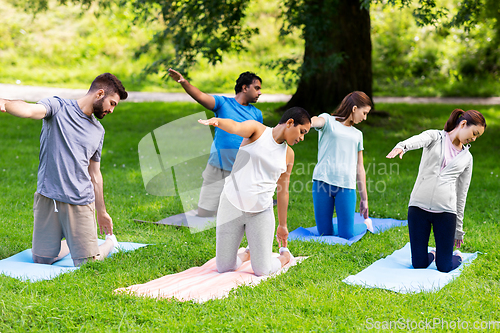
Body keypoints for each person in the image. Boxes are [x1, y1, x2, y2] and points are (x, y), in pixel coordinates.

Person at [0, 73, 128, 267]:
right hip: (48, 197)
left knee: (87, 262)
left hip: (79, 200)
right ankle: (74, 243)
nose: (111, 110)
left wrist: (102, 212)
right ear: (100, 93)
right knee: (42, 260)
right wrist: (5, 103)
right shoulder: (58, 106)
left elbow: (95, 174)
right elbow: (29, 110)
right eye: (112, 103)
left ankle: (110, 243)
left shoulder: (98, 131)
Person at [198, 107, 311, 276]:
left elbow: (283, 190)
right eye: (302, 132)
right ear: (290, 123)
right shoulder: (257, 130)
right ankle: (247, 254)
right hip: (231, 204)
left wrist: (283, 225)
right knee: (224, 267)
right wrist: (219, 122)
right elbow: (235, 127)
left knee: (262, 270)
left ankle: (284, 257)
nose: (302, 138)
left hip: (261, 212)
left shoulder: (288, 154)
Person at [386, 109, 486, 272]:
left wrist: (458, 229)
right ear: (463, 124)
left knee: (444, 267)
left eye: (477, 137)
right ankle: (433, 253)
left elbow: (462, 194)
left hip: (446, 213)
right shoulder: (435, 137)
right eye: (474, 133)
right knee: (418, 264)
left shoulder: (467, 158)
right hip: (418, 208)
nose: (473, 139)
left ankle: (456, 256)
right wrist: (402, 146)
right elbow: (418, 140)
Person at [168, 68, 263, 217]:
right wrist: (184, 82)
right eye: (257, 88)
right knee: (204, 213)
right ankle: (221, 206)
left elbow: (258, 141)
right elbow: (200, 96)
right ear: (245, 88)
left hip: (242, 170)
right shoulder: (223, 103)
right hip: (217, 166)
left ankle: (229, 205)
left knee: (240, 214)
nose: (260, 92)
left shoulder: (257, 114)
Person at [310, 91, 372, 239]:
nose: (365, 118)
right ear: (354, 108)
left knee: (347, 235)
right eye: (364, 113)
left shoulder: (357, 134)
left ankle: (365, 225)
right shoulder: (328, 121)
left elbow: (360, 167)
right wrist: (309, 122)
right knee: (325, 234)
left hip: (346, 187)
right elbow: (317, 121)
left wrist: (364, 199)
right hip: (322, 184)